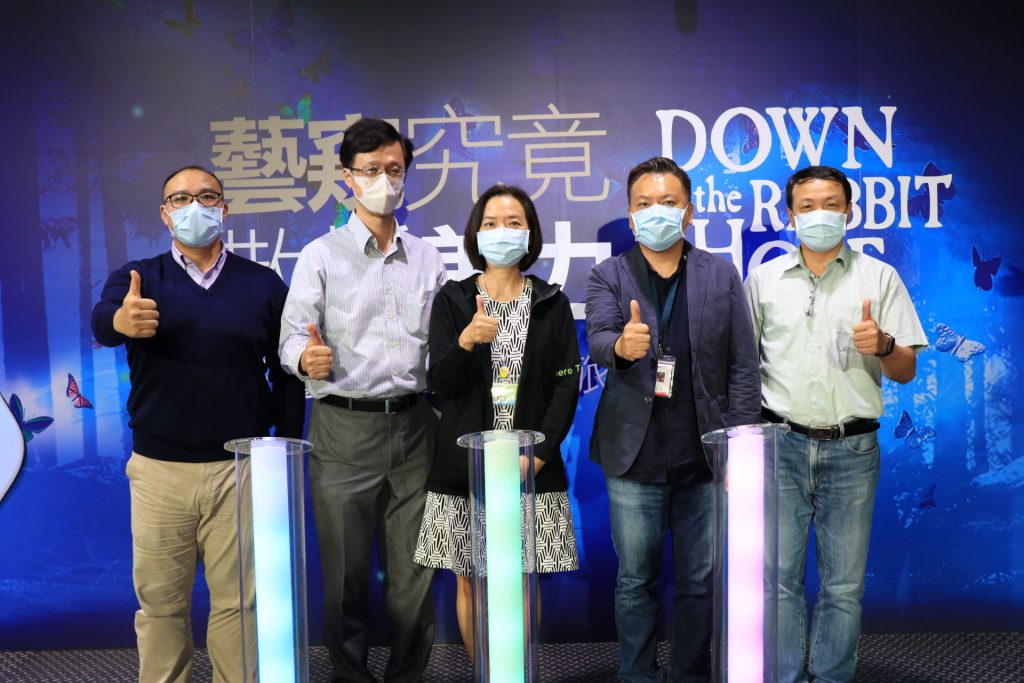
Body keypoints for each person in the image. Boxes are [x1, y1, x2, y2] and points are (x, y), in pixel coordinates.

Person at [91, 165, 306, 683]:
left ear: (224, 209)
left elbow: (286, 372)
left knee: (239, 605)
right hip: (160, 471)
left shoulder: (262, 283)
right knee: (161, 606)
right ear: (165, 214)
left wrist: (285, 446)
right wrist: (120, 321)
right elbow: (104, 320)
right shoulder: (139, 278)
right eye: (180, 198)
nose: (195, 207)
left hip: (241, 469)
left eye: (207, 197)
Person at [278, 118, 447, 683]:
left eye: (394, 170)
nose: (384, 181)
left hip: (416, 425)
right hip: (343, 428)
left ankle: (407, 676)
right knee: (346, 575)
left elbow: (442, 344)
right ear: (347, 177)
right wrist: (306, 359)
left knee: (414, 574)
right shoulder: (320, 256)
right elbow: (291, 338)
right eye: (371, 170)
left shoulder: (427, 257)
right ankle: (349, 676)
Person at [745, 165, 927, 683]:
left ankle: (831, 677)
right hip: (778, 444)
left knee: (843, 586)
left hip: (852, 448)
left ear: (849, 211)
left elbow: (906, 371)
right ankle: (782, 676)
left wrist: (884, 345)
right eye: (807, 206)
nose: (819, 215)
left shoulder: (879, 277)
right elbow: (741, 368)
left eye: (830, 204)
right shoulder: (763, 280)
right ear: (790, 215)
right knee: (777, 582)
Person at [585, 156, 761, 682]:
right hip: (633, 455)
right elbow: (598, 340)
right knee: (634, 580)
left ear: (689, 211)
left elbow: (742, 366)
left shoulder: (720, 274)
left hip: (702, 456)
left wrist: (739, 449)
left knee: (699, 581)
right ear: (630, 214)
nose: (655, 211)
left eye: (668, 202)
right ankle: (637, 674)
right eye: (644, 204)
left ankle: (689, 674)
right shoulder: (608, 275)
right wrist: (622, 346)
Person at [413, 184, 581, 658]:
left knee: (522, 577)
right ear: (475, 233)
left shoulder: (551, 302)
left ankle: (515, 671)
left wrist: (539, 454)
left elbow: (567, 383)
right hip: (463, 469)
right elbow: (441, 384)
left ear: (529, 234)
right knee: (470, 579)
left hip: (530, 468)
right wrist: (466, 341)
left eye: (513, 223)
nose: (501, 232)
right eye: (490, 223)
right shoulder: (453, 300)